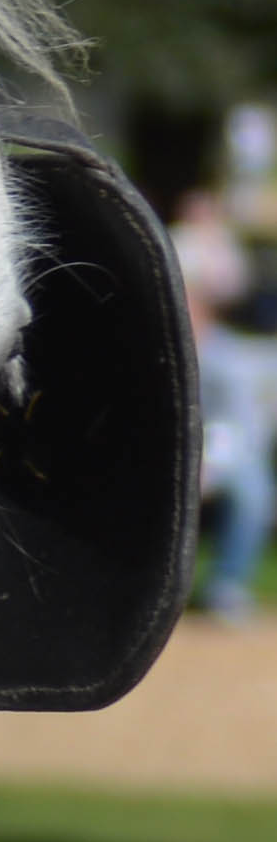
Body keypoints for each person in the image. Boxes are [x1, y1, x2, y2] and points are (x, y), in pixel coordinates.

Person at [175, 187, 268, 621]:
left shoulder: (228, 361)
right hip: (168, 458)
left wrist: (209, 465)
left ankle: (226, 587)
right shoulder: (158, 358)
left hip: (220, 458)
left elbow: (239, 428)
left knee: (253, 492)